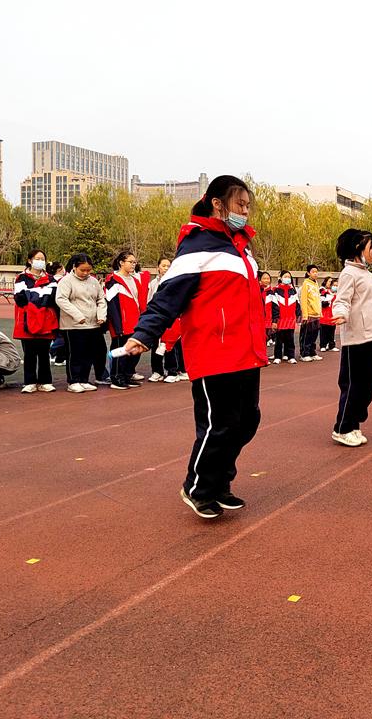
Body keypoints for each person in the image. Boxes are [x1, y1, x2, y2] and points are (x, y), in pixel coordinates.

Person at [124, 175, 267, 520]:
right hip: (213, 351)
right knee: (219, 424)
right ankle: (198, 486)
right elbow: (168, 296)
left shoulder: (241, 247)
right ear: (217, 204)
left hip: (246, 351)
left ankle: (219, 483)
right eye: (239, 205)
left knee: (247, 421)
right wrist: (144, 333)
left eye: (248, 206)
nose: (245, 212)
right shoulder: (197, 244)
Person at [330, 228, 372, 446]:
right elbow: (343, 299)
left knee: (368, 384)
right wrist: (340, 314)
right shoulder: (349, 273)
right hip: (355, 339)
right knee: (353, 385)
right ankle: (342, 427)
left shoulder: (366, 273)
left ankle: (354, 424)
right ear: (358, 247)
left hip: (371, 336)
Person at [56, 253, 107, 394]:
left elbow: (101, 299)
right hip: (73, 325)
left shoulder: (94, 281)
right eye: (82, 270)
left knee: (89, 353)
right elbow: (61, 300)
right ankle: (73, 381)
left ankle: (84, 379)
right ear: (74, 267)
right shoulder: (66, 281)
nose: (85, 273)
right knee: (75, 353)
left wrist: (101, 315)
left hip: (93, 324)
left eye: (88, 270)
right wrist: (78, 315)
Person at [13, 249, 59, 394]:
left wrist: (33, 295)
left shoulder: (51, 280)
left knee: (44, 353)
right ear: (29, 261)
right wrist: (40, 298)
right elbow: (20, 298)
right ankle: (29, 382)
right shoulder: (21, 278)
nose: (40, 261)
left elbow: (53, 298)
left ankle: (45, 381)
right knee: (30, 353)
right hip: (27, 321)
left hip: (46, 320)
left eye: (43, 258)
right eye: (37, 258)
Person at [104, 251, 143, 389]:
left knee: (134, 351)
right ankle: (116, 377)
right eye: (130, 262)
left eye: (135, 262)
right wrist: (117, 325)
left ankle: (127, 374)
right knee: (120, 351)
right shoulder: (112, 281)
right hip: (121, 323)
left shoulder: (135, 280)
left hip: (136, 322)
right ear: (121, 262)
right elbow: (111, 305)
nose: (133, 264)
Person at [269, 271, 300, 364]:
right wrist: (275, 319)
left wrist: (299, 315)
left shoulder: (293, 290)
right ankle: (278, 356)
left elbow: (297, 304)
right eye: (285, 276)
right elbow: (274, 306)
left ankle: (290, 356)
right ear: (281, 278)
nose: (287, 278)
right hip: (280, 318)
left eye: (289, 277)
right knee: (279, 339)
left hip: (290, 319)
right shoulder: (275, 290)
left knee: (290, 338)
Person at [299, 264, 323, 362]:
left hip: (316, 314)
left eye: (316, 271)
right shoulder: (306, 283)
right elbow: (303, 299)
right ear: (308, 273)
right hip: (309, 314)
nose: (315, 273)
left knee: (314, 335)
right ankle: (304, 353)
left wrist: (320, 312)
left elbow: (318, 299)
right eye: (313, 272)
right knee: (307, 335)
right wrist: (305, 314)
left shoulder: (316, 284)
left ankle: (312, 352)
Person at [319, 276, 338, 351]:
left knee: (331, 331)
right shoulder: (324, 291)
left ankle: (331, 345)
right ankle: (323, 345)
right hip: (325, 315)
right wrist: (328, 299)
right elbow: (322, 303)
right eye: (334, 285)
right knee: (324, 331)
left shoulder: (337, 294)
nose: (335, 287)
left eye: (337, 285)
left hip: (333, 315)